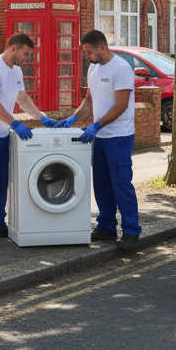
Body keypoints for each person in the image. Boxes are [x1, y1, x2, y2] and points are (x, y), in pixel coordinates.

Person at [0, 33, 62, 249]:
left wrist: (42, 117)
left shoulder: (16, 70)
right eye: (26, 53)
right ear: (13, 48)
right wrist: (15, 124)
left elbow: (23, 98)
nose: (27, 58)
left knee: (1, 182)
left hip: (2, 133)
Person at [57, 30, 141, 249]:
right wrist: (74, 117)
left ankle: (131, 231)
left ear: (102, 47)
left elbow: (121, 105)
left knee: (121, 183)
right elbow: (89, 100)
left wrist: (97, 124)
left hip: (119, 137)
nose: (86, 55)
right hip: (100, 137)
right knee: (101, 184)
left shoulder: (121, 68)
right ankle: (106, 227)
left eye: (88, 51)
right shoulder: (93, 68)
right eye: (84, 51)